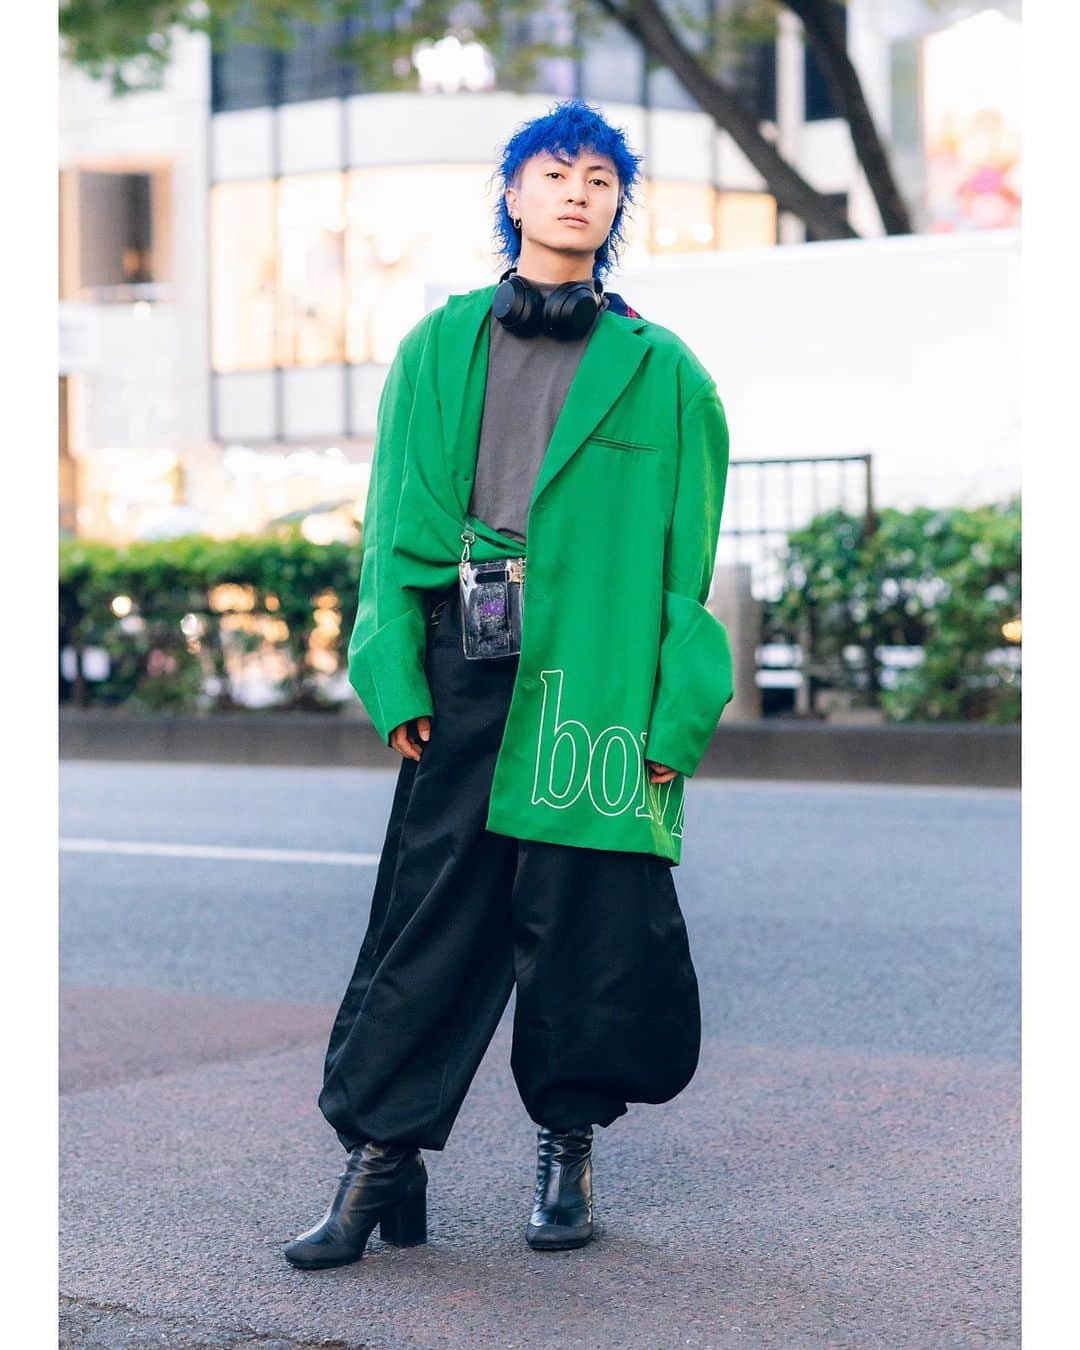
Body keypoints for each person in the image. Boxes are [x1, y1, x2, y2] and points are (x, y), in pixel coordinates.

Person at [284, 98, 734, 1271]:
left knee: (580, 924)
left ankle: (567, 1151)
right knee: (428, 918)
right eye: (556, 171)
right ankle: (382, 1161)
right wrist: (392, 672)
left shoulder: (666, 373)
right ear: (515, 196)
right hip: (464, 669)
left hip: (597, 688)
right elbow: (391, 525)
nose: (580, 190)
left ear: (617, 206)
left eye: (601, 177)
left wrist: (674, 714)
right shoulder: (439, 346)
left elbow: (690, 561)